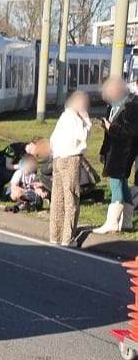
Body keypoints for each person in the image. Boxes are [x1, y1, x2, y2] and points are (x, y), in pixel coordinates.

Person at [94, 77, 138, 234]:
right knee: (123, 184)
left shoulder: (132, 105)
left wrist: (112, 127)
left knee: (116, 184)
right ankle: (126, 222)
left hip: (124, 151)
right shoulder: (112, 105)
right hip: (113, 149)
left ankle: (112, 222)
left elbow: (132, 130)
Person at [49, 91, 92, 245]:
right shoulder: (75, 118)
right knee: (71, 197)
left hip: (58, 158)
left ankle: (55, 235)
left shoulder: (63, 117)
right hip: (71, 158)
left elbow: (52, 140)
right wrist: (87, 119)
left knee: (57, 198)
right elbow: (83, 136)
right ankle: (68, 237)